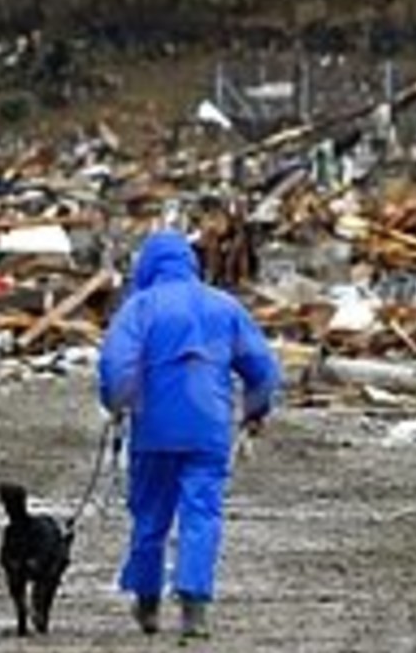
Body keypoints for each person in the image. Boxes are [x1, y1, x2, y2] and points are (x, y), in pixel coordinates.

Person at [98, 230, 281, 641]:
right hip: (209, 428)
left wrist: (116, 404)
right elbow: (263, 371)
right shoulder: (224, 306)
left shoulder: (139, 308)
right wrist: (255, 411)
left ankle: (146, 603)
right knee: (202, 513)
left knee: (150, 515)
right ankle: (194, 608)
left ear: (148, 265)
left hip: (154, 430)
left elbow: (115, 366)